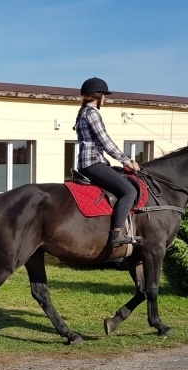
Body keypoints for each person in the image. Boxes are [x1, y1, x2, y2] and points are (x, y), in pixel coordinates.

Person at [73, 77, 141, 247]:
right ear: (99, 96)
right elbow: (105, 141)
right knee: (129, 191)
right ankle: (116, 233)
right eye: (104, 95)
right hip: (93, 163)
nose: (106, 99)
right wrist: (127, 161)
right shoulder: (93, 113)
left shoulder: (83, 113)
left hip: (86, 163)